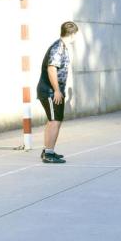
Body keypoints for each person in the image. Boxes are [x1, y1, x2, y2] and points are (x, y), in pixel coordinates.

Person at [37, 21, 80, 163]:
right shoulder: (58, 48)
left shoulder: (61, 46)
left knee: (53, 120)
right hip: (50, 91)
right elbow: (51, 68)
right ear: (72, 34)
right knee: (55, 121)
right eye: (75, 35)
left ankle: (48, 150)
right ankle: (49, 154)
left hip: (53, 90)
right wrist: (56, 90)